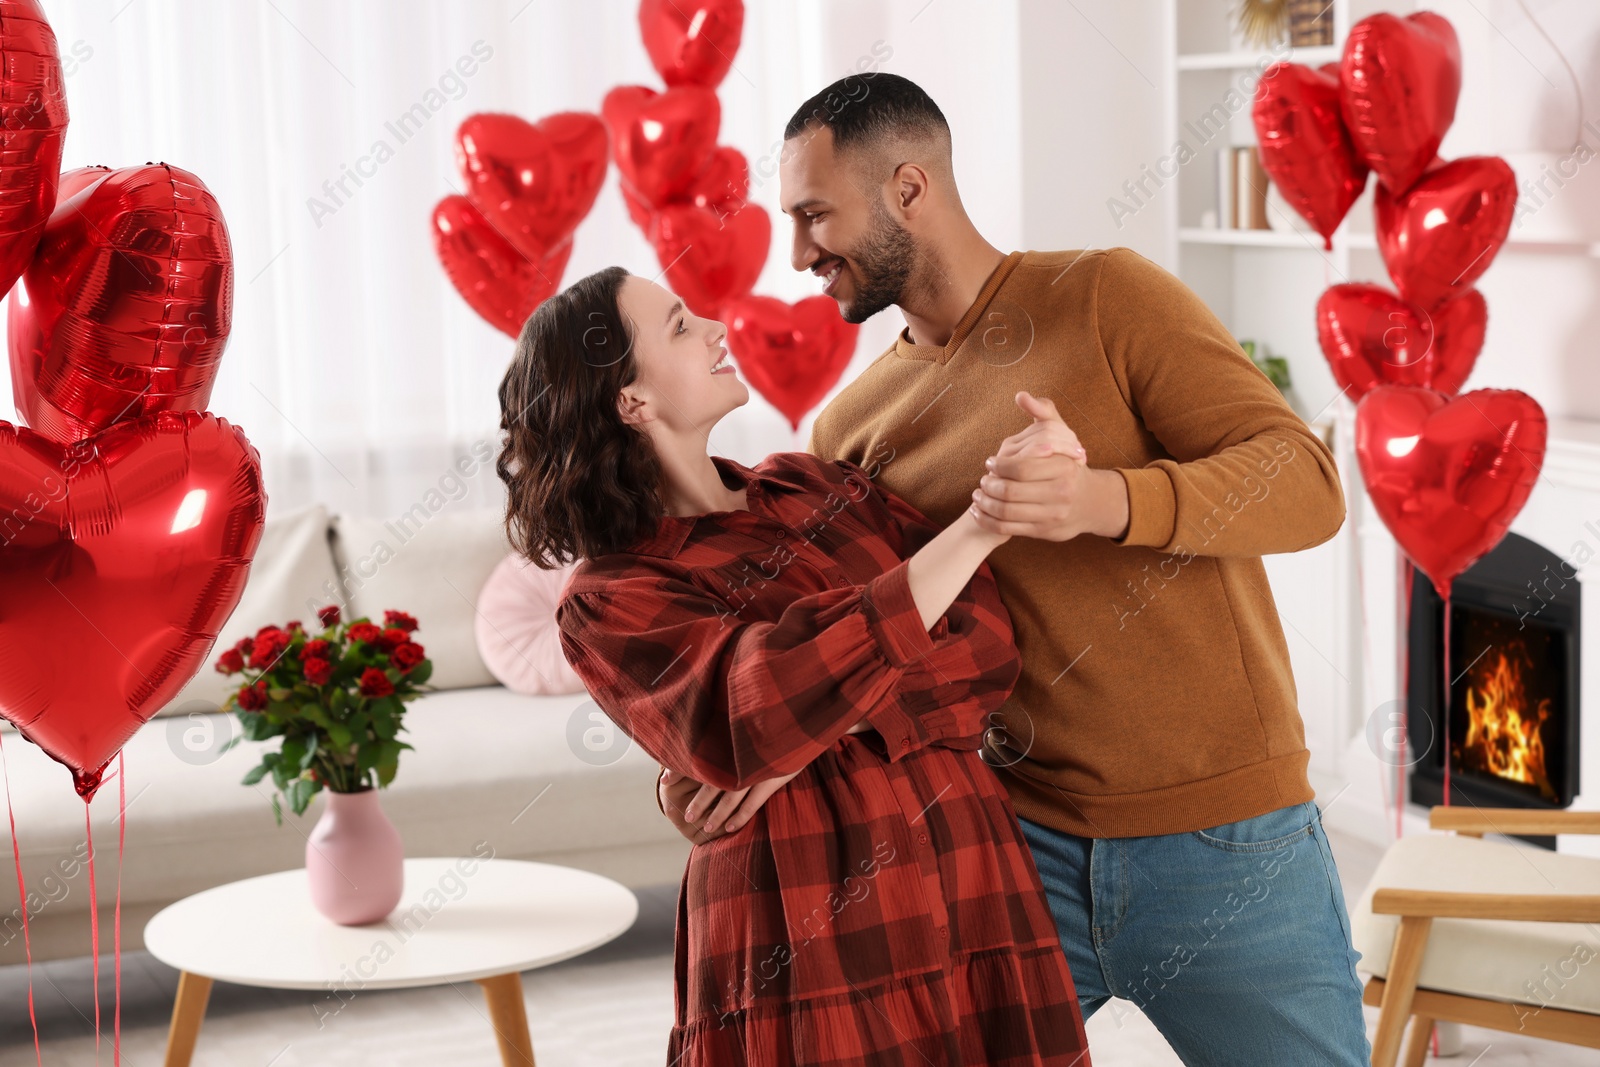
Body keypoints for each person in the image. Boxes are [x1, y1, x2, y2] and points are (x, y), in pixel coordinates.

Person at [657, 73, 1374, 1065]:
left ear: (909, 188)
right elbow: (859, 643)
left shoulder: (1104, 296)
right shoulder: (849, 426)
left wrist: (1101, 500)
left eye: (815, 214)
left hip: (1227, 841)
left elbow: (1304, 480)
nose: (797, 254)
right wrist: (743, 755)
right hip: (1004, 843)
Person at [497, 264, 1093, 1064]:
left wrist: (797, 742)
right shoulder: (611, 597)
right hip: (807, 910)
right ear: (631, 403)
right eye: (679, 325)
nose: (715, 326)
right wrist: (981, 525)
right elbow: (750, 709)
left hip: (970, 871)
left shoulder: (816, 486)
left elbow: (984, 644)